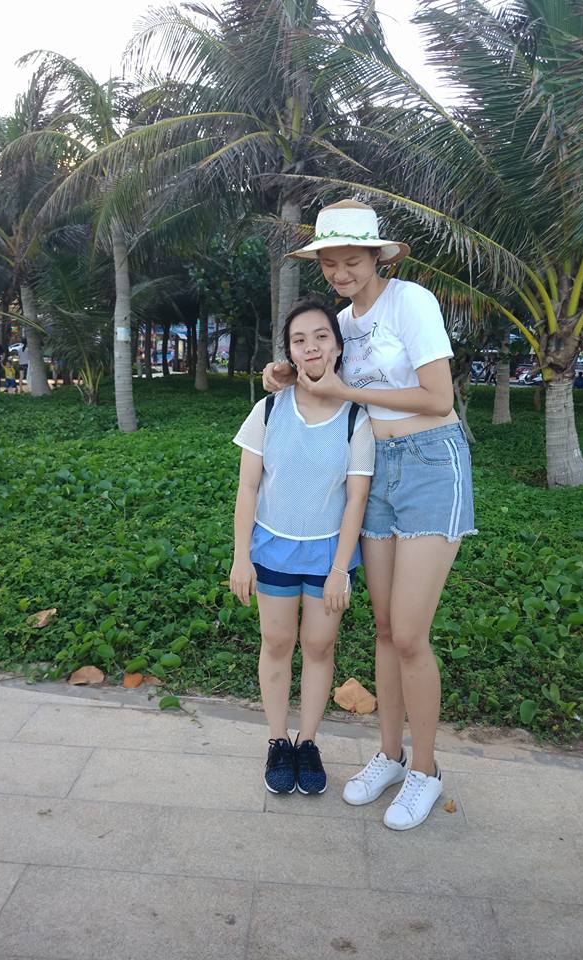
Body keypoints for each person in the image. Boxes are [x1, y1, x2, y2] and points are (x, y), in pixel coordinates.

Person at [263, 199, 476, 830]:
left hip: (432, 463)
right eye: (329, 263)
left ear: (377, 257)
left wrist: (343, 389)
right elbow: (319, 368)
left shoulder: (411, 302)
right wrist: (285, 372)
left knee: (409, 634)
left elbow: (438, 396)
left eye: (352, 260)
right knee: (383, 629)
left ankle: (426, 771)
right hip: (376, 470)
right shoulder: (341, 322)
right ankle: (389, 755)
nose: (340, 272)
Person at [230, 293, 375, 796]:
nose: (310, 346)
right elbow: (248, 487)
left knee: (318, 646)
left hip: (328, 555)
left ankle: (308, 742)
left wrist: (339, 570)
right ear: (289, 352)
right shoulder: (269, 409)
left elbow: (356, 499)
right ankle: (277, 741)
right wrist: (241, 557)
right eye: (299, 340)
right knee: (276, 643)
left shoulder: (356, 418)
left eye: (320, 336)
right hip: (272, 548)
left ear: (337, 347)